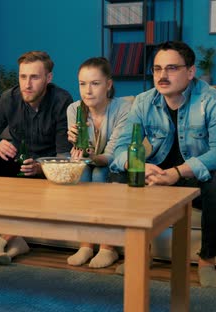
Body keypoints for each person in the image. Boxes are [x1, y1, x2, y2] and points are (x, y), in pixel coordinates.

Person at [110, 41, 216, 288]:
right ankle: (140, 252)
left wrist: (178, 172)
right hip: (156, 176)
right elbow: (121, 149)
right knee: (118, 176)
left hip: (195, 179)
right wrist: (139, 165)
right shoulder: (143, 102)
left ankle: (207, 261)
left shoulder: (212, 100)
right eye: (157, 69)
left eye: (171, 68)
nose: (162, 76)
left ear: (190, 72)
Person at [0, 51, 73, 264]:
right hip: (18, 165)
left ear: (48, 78)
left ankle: (6, 238)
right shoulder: (9, 98)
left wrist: (40, 168)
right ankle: (15, 238)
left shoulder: (62, 100)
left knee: (49, 181)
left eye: (34, 77)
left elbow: (64, 159)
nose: (27, 84)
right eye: (23, 77)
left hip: (46, 170)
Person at [65, 57, 131, 268]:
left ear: (108, 84)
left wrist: (91, 157)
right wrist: (77, 147)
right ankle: (86, 245)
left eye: (95, 83)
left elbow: (112, 155)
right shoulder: (74, 109)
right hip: (89, 165)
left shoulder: (123, 108)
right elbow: (80, 154)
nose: (88, 91)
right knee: (84, 172)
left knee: (100, 174)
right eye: (83, 84)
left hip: (118, 166)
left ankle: (107, 247)